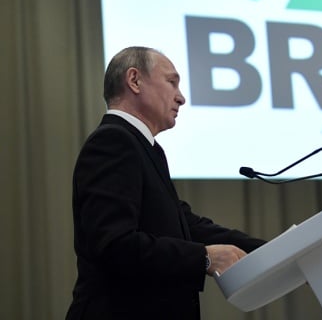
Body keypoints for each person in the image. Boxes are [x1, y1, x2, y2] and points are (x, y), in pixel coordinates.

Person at [66, 46, 266, 319]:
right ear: (134, 80)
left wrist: (275, 249)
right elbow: (114, 245)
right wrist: (204, 258)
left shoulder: (145, 148)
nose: (181, 97)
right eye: (172, 82)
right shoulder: (112, 142)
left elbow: (187, 226)